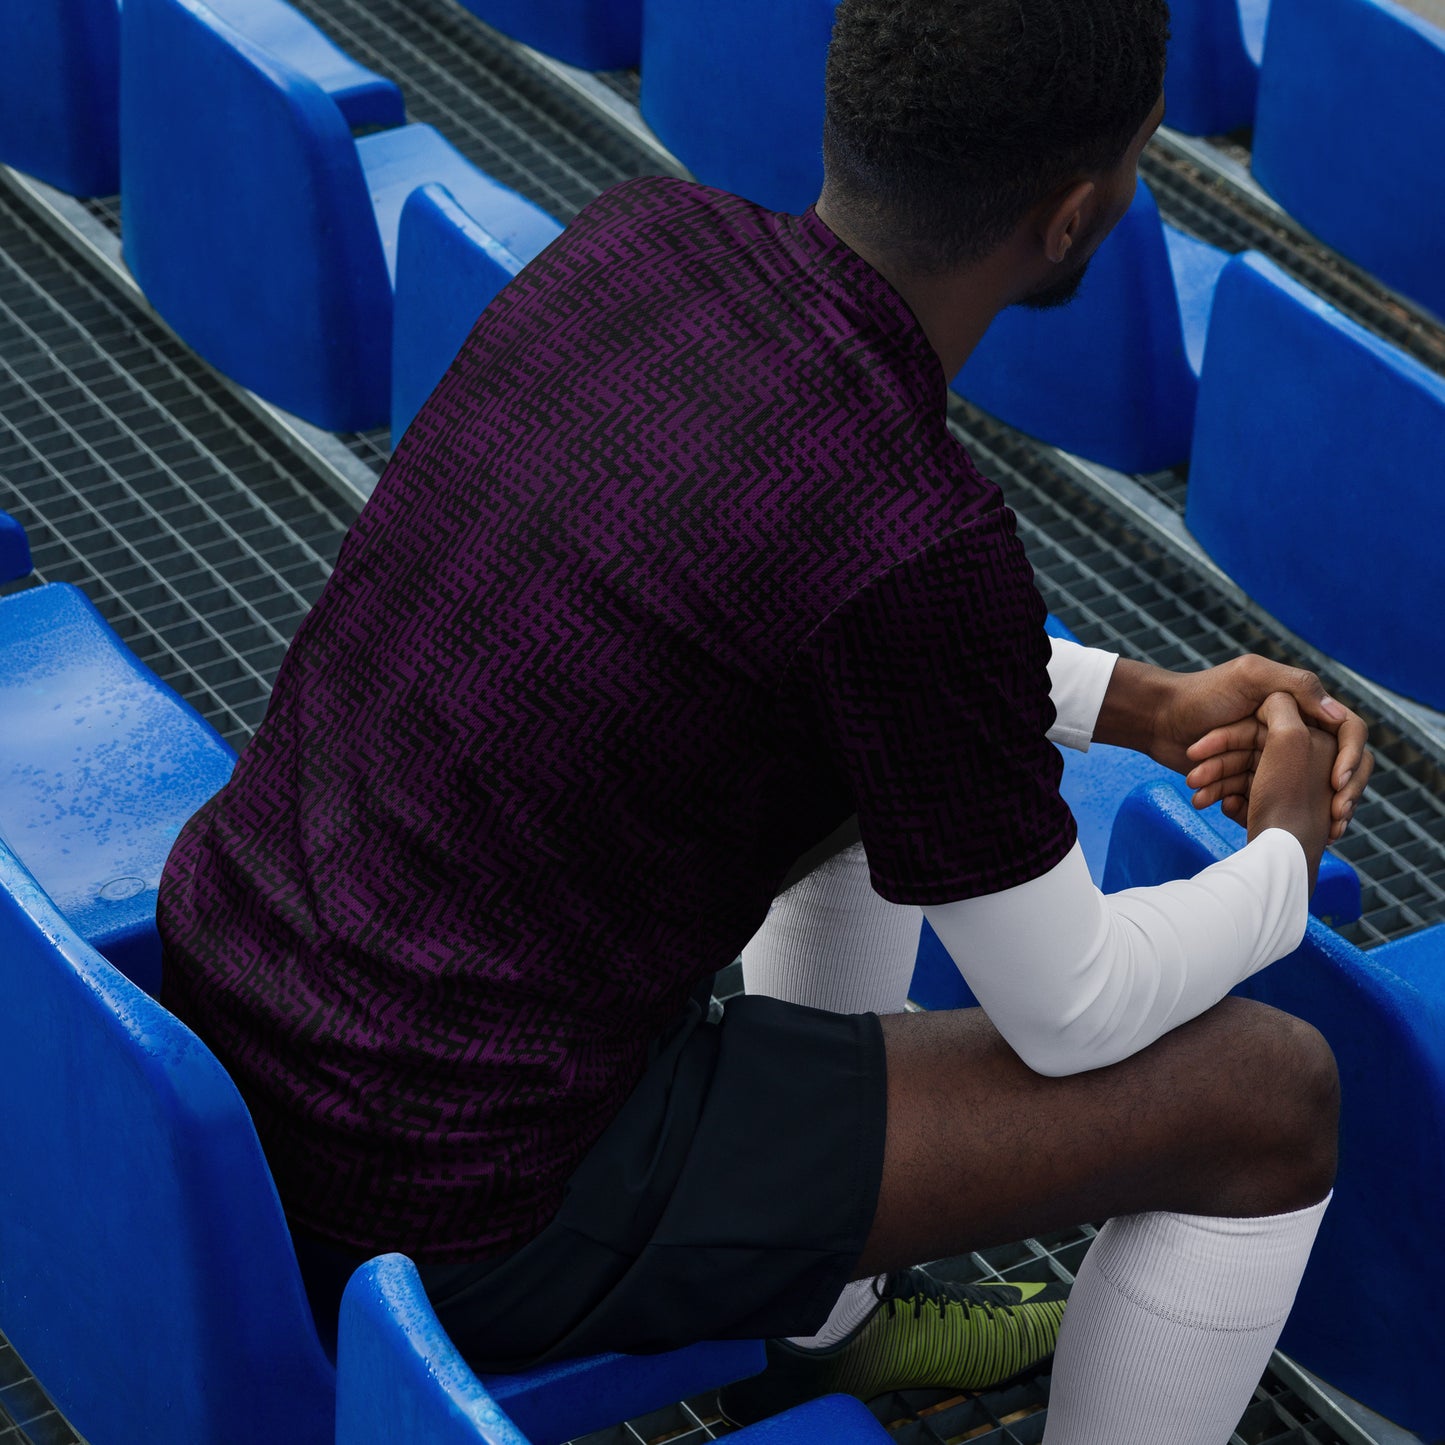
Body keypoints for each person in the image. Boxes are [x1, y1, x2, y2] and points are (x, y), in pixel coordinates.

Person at [156, 0, 1374, 1439]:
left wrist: (1138, 703)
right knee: (1265, 1096)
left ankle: (828, 1334)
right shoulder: (915, 532)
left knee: (869, 776)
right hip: (460, 1189)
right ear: (1074, 218)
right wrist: (1282, 860)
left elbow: (803, 625)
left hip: (240, 1028)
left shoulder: (637, 240)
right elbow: (1071, 1007)